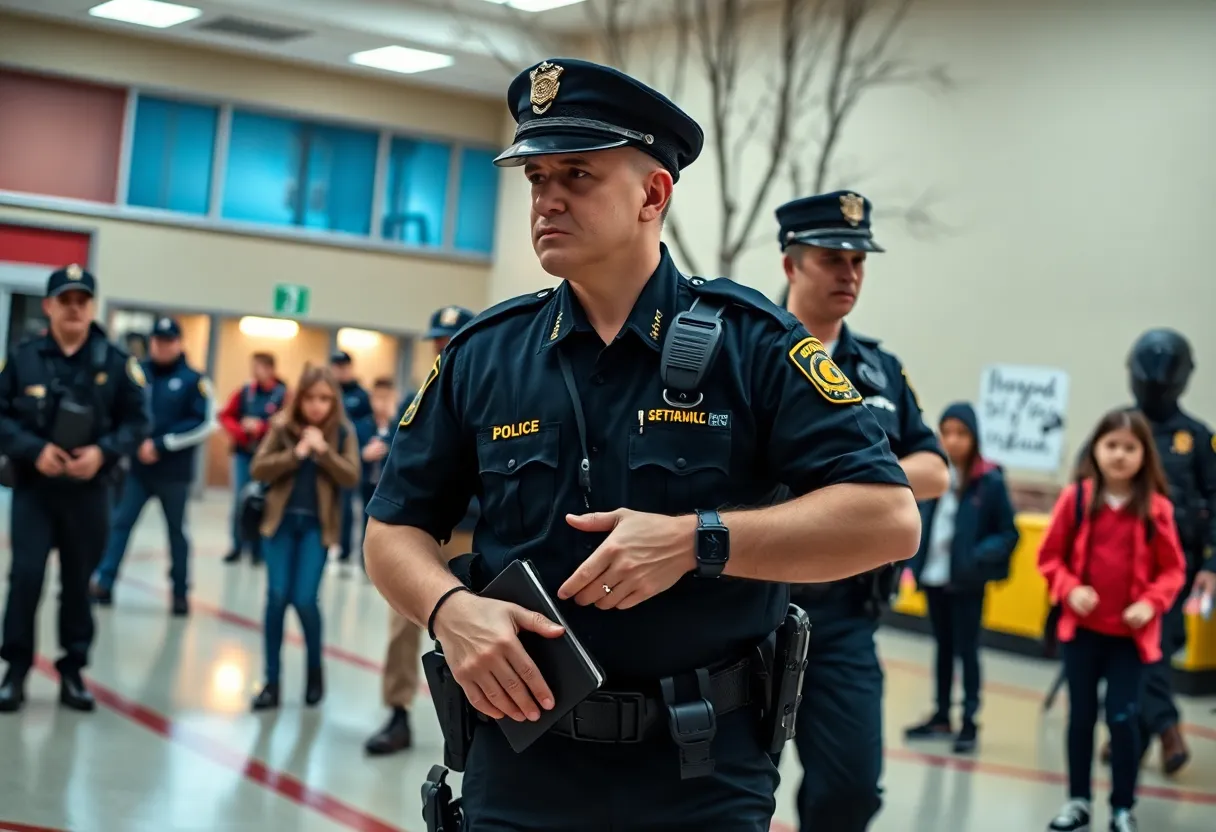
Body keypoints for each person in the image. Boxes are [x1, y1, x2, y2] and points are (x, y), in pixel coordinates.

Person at [362, 57, 921, 831]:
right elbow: (392, 528)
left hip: (700, 773)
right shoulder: (483, 354)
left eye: (578, 176)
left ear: (653, 193)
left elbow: (888, 518)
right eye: (536, 178)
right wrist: (449, 608)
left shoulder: (752, 346)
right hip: (522, 767)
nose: (547, 199)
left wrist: (699, 541)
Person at [773, 191, 949, 831]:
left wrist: (851, 486)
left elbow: (934, 468)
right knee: (718, 787)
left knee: (850, 791)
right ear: (792, 265)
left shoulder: (879, 370)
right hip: (744, 605)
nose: (849, 273)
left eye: (858, 261)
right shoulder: (744, 351)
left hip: (845, 617)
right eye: (832, 259)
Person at [0, 264, 151, 712]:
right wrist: (32, 449)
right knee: (25, 577)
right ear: (48, 306)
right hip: (35, 488)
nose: (73, 309)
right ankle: (16, 669)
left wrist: (103, 452)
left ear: (92, 307)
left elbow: (140, 421)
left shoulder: (116, 363)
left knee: (77, 583)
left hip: (89, 492)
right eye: (64, 300)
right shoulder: (22, 358)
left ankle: (72, 672)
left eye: (82, 301)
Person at [1037, 409, 1186, 832]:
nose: (1120, 455)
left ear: (1144, 455)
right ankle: (1078, 801)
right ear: (1096, 449)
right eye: (1112, 445)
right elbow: (1048, 557)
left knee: (1123, 721)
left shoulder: (1156, 510)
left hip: (1129, 640)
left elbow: (1173, 571)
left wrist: (1151, 603)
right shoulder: (1077, 499)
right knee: (1080, 718)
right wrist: (1069, 589)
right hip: (1081, 634)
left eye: (1130, 447)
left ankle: (1123, 807)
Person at [363, 306, 476, 756]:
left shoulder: (494, 392)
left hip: (472, 530)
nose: (442, 349)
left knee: (481, 627)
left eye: (451, 341)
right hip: (422, 535)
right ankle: (398, 711)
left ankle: (481, 720)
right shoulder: (422, 394)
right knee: (402, 626)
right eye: (438, 342)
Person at [1107, 328, 1215, 774]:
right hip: (1115, 564)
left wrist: (1211, 564)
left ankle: (1154, 729)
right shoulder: (1117, 429)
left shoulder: (1198, 438)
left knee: (1153, 647)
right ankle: (1143, 729)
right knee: (1120, 650)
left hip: (1173, 568)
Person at [903, 402, 1019, 753]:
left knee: (967, 651)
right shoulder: (934, 474)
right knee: (942, 648)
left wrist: (977, 558)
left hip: (967, 582)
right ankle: (941, 714)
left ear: (974, 437)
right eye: (946, 432)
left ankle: (969, 719)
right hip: (936, 578)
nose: (952, 440)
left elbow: (1008, 533)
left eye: (961, 433)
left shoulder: (990, 481)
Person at [247, 364, 360, 710]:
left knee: (305, 599)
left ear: (333, 401)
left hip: (316, 528)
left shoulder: (342, 432)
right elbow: (258, 468)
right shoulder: (282, 426)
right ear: (300, 399)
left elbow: (352, 477)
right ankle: (271, 681)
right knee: (277, 597)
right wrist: (295, 455)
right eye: (310, 398)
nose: (317, 406)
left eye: (325, 399)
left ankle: (314, 670)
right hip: (279, 525)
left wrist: (323, 451)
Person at [91, 316, 215, 616]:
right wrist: (135, 444)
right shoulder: (137, 374)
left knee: (177, 533)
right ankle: (104, 582)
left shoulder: (194, 380)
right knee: (120, 523)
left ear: (178, 343)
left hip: (173, 473)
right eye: (158, 341)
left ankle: (180, 592)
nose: (162, 347)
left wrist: (162, 445)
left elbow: (203, 423)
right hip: (138, 470)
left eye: (169, 341)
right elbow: (122, 412)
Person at [219, 352, 287, 565]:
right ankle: (238, 545)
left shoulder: (282, 394)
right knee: (241, 499)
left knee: (264, 501)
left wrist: (262, 428)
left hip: (268, 457)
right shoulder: (246, 391)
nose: (255, 371)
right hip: (244, 454)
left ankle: (258, 549)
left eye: (260, 367)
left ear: (270, 369)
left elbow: (287, 423)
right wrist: (240, 430)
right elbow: (225, 415)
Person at [330, 350, 371, 571]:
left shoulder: (361, 396)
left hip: (361, 459)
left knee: (364, 509)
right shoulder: (329, 394)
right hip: (337, 459)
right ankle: (343, 551)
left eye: (343, 367)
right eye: (336, 367)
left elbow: (368, 426)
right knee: (343, 508)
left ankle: (365, 556)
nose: (339, 371)